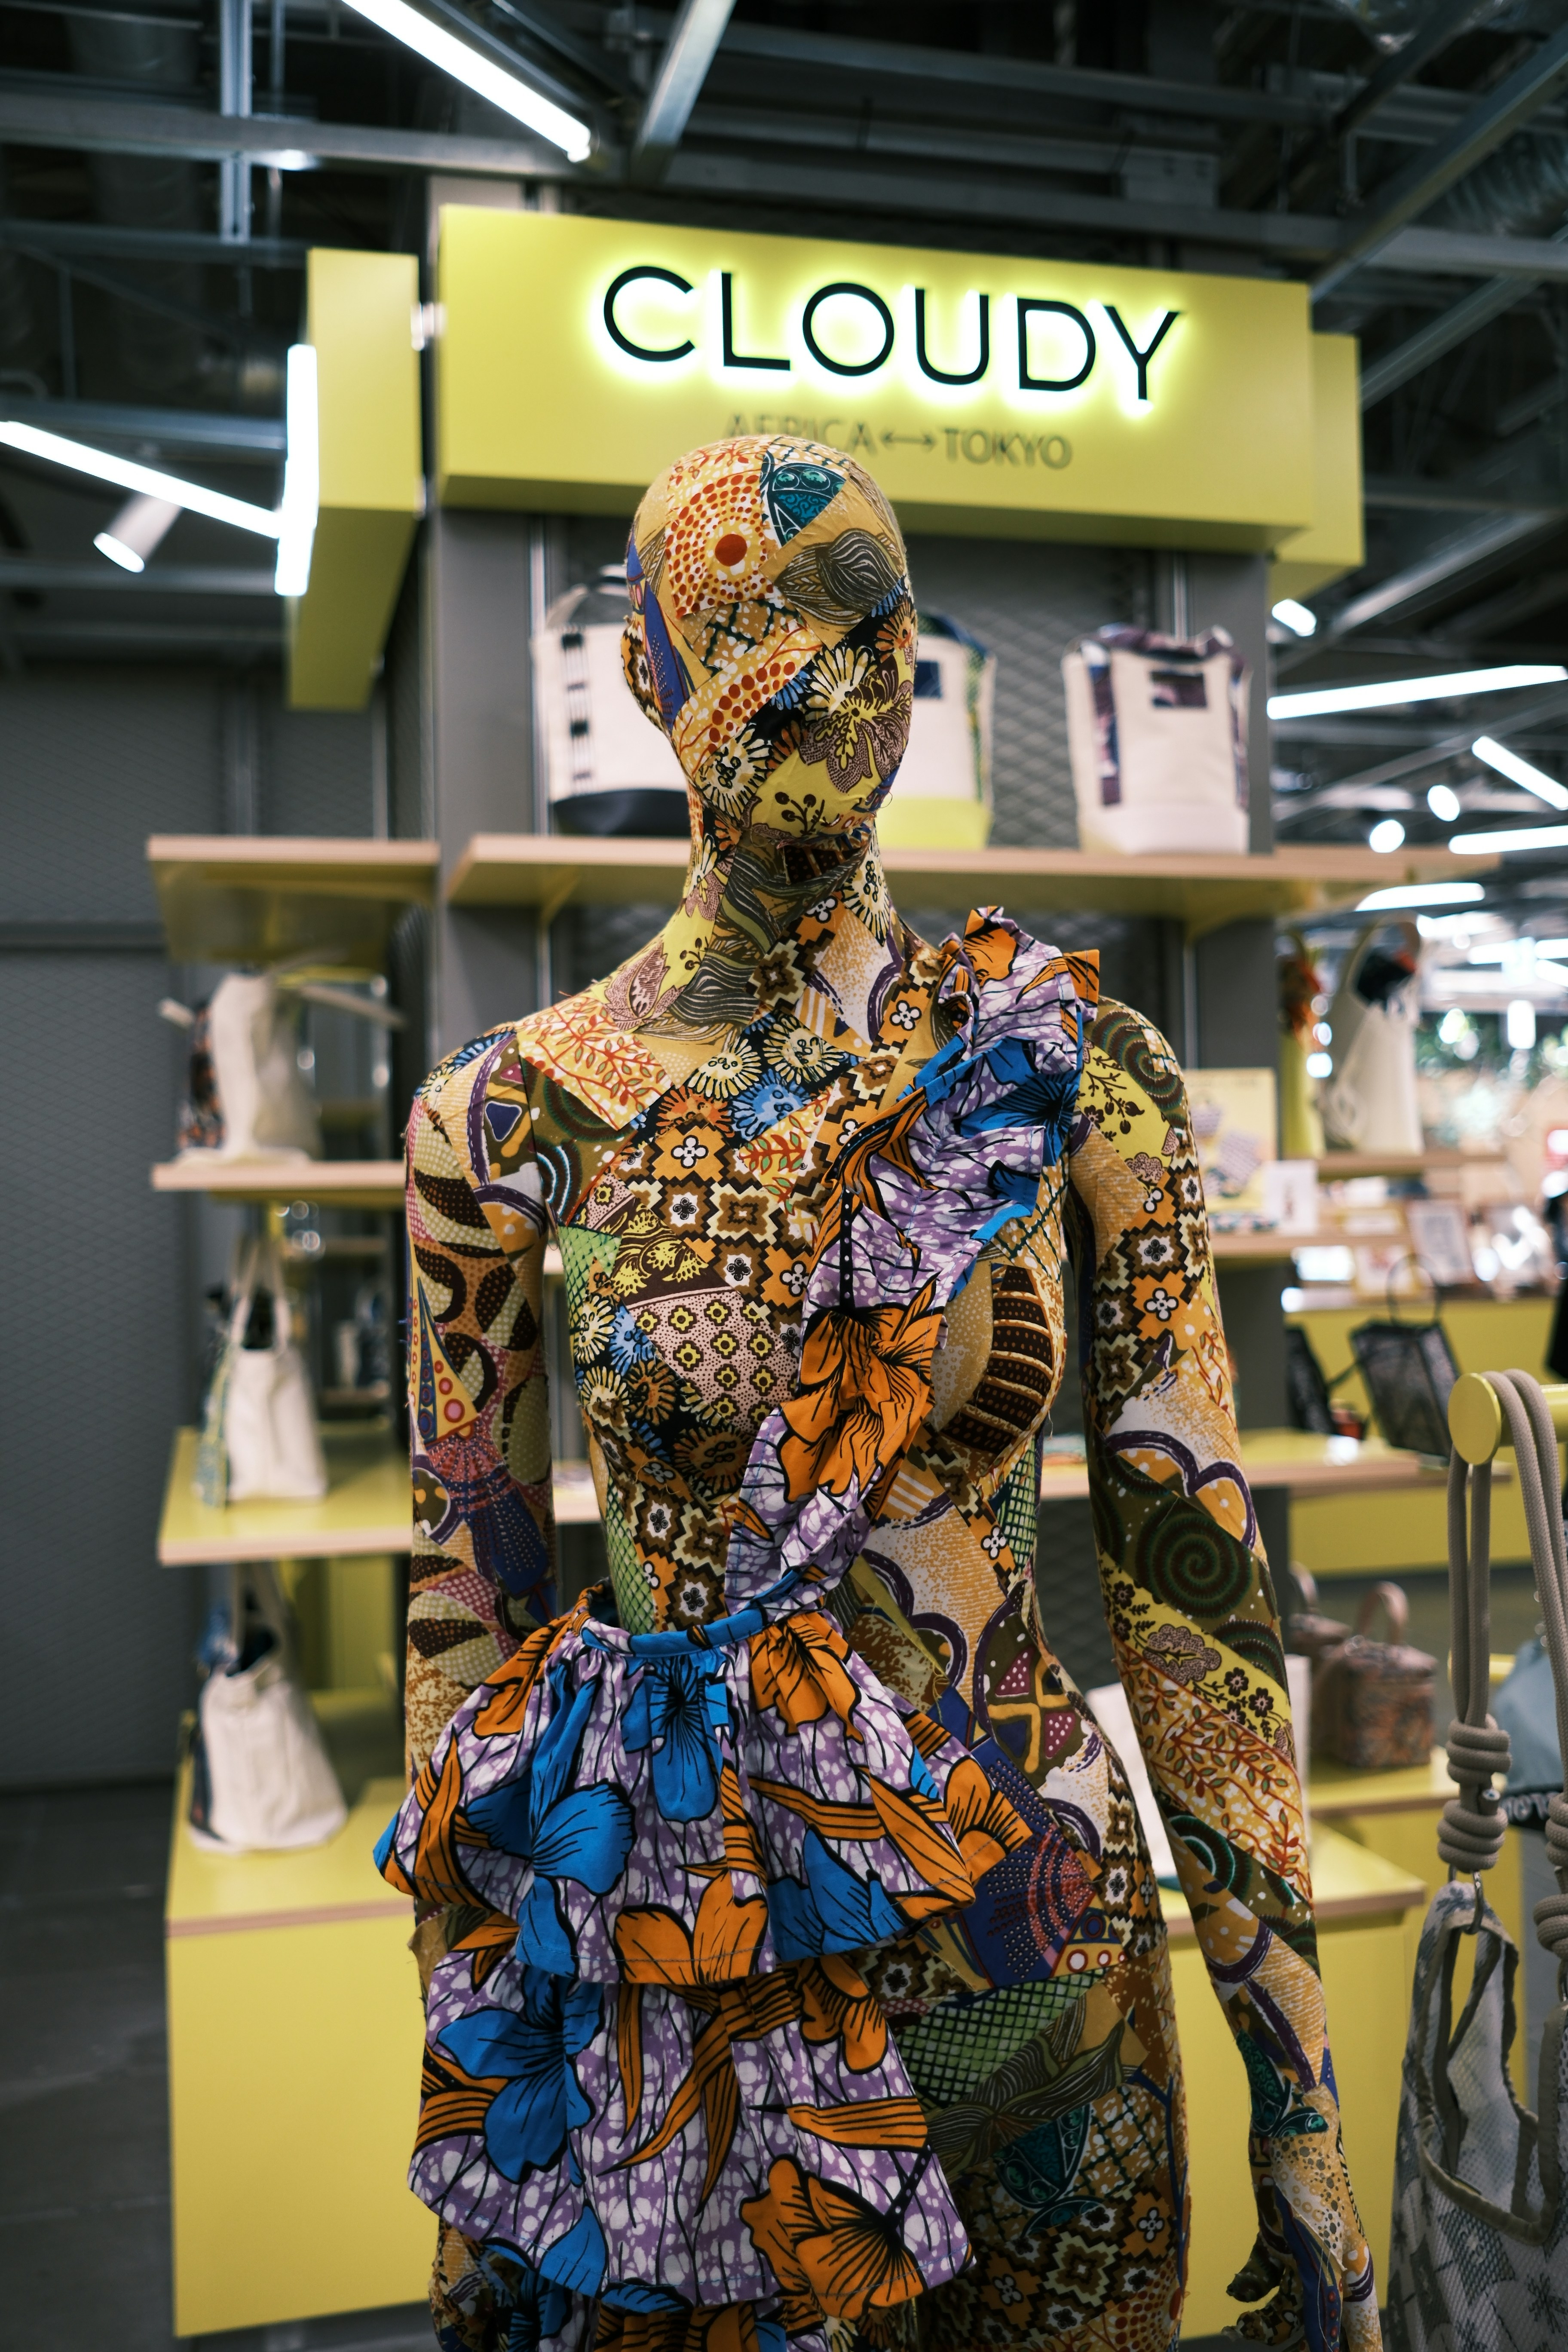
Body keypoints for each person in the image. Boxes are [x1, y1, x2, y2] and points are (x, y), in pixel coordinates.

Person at [378, 435, 1376, 2352]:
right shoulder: (506, 1119)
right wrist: (474, 2083)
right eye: (749, 632)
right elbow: (462, 1628)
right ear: (648, 676)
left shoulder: (1083, 1073)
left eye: (867, 629)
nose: (821, 684)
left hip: (1041, 1930)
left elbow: (1198, 1600)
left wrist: (1304, 2089)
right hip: (700, 1962)